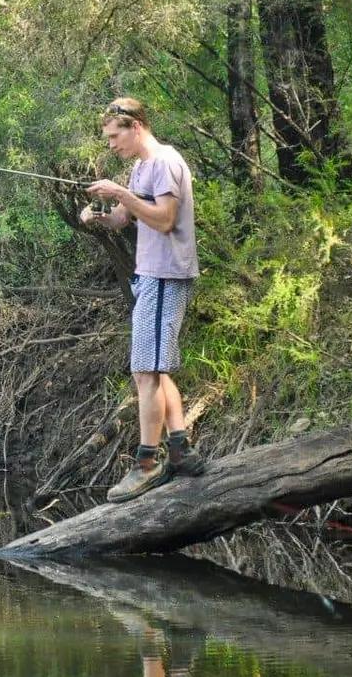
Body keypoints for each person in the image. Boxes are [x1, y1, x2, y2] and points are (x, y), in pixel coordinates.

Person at [81, 98, 206, 503]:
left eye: (115, 136)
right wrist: (99, 217)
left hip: (166, 275)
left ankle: (147, 464)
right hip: (150, 275)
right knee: (158, 370)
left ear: (135, 126)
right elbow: (126, 217)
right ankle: (181, 451)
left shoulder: (165, 161)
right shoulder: (140, 167)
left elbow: (165, 219)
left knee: (145, 372)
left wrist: (120, 191)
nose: (112, 145)